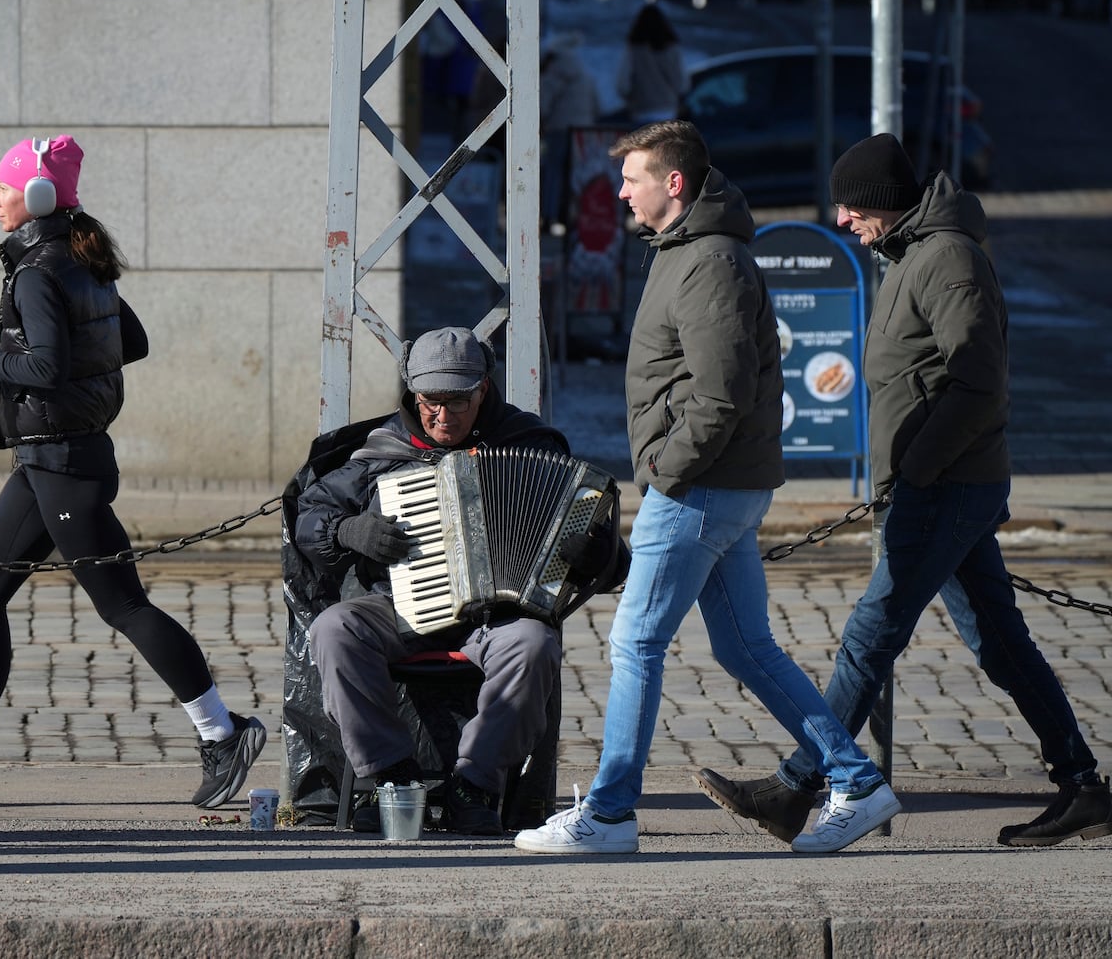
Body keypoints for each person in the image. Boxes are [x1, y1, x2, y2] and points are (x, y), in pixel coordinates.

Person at [695, 133, 1112, 848]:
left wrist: (917, 465)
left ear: (885, 205)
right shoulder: (914, 256)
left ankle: (799, 785)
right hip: (942, 483)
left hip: (945, 485)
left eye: (853, 209)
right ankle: (1083, 787)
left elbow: (977, 381)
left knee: (869, 633)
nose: (845, 222)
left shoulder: (947, 258)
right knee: (1000, 642)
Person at [513, 120, 900, 857]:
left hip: (697, 490)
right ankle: (855, 778)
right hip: (718, 486)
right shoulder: (687, 252)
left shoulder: (708, 262)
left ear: (675, 183)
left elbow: (718, 394)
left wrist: (664, 468)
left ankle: (610, 812)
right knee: (746, 647)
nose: (620, 190)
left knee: (634, 640)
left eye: (632, 177)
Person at [0, 136, 265, 809]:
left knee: (122, 604)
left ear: (32, 196)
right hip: (50, 460)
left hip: (62, 462)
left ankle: (222, 732)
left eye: (2, 187)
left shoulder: (37, 270)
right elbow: (131, 340)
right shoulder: (81, 258)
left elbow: (47, 368)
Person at [297, 327, 625, 835]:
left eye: (458, 403)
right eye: (430, 402)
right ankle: (390, 775)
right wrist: (347, 529)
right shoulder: (382, 448)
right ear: (412, 392)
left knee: (534, 643)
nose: (442, 416)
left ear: (483, 390)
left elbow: (614, 564)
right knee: (334, 630)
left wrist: (597, 553)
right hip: (397, 606)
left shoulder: (530, 443)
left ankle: (476, 783)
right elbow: (309, 517)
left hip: (499, 616)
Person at [540, 34, 602, 231]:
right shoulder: (586, 74)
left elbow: (542, 105)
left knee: (553, 174)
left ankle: (549, 216)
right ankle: (574, 216)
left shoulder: (552, 75)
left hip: (558, 129)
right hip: (582, 132)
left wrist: (541, 123)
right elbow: (598, 106)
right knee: (577, 175)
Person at [614, 4, 687, 126]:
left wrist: (631, 99)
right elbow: (681, 84)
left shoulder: (633, 49)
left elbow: (623, 85)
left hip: (642, 110)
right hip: (667, 111)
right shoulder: (672, 49)